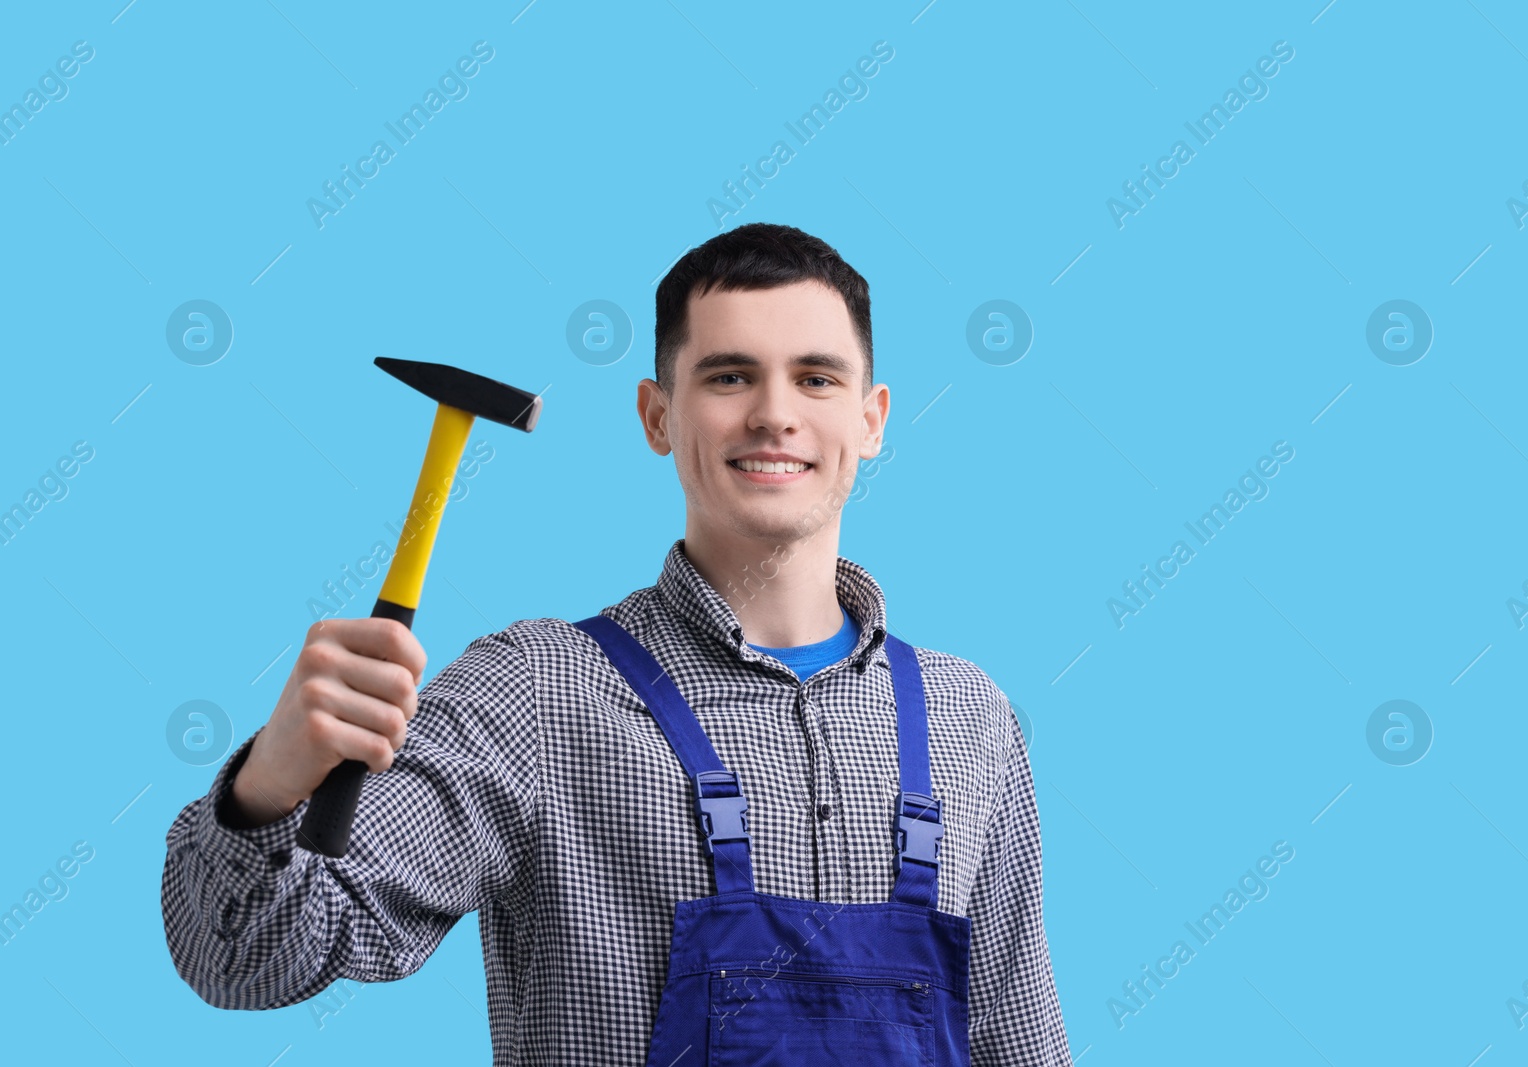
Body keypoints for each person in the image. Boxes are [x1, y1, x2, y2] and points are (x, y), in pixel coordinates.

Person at [162, 222, 1073, 1065]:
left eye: (816, 377)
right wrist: (273, 783)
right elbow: (247, 960)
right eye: (728, 376)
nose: (773, 414)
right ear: (656, 415)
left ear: (871, 418)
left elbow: (1019, 1040)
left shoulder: (969, 717)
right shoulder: (537, 694)